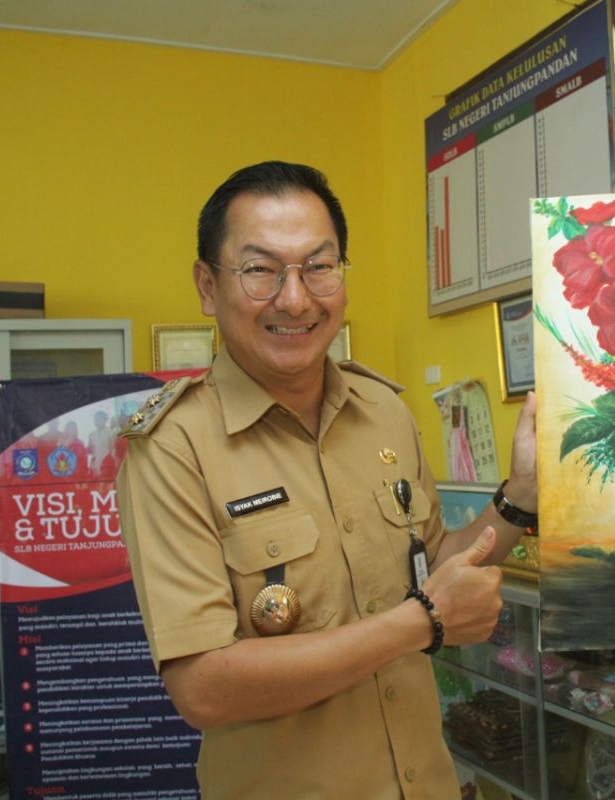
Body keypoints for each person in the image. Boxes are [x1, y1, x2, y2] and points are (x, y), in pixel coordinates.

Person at [116, 161, 538, 799]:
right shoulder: (175, 448)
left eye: (319, 266)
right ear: (207, 286)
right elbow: (204, 686)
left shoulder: (384, 411)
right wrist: (423, 622)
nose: (296, 298)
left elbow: (436, 565)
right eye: (260, 269)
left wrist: (520, 496)